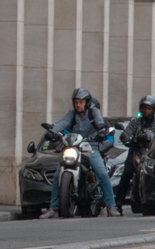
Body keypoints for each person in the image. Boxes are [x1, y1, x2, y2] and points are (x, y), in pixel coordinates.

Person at [46, 88, 118, 217]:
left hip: (90, 147)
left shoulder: (93, 112)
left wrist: (101, 131)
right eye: (76, 102)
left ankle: (111, 206)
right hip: (74, 147)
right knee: (58, 175)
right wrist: (53, 132)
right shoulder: (71, 114)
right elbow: (63, 123)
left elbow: (99, 122)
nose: (78, 105)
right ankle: (53, 208)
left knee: (102, 173)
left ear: (87, 102)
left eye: (81, 102)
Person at [113, 95, 155, 210]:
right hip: (137, 150)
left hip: (152, 153)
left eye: (149, 109)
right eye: (144, 108)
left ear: (154, 110)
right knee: (126, 173)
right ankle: (119, 201)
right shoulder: (135, 122)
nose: (146, 111)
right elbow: (126, 133)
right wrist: (128, 139)